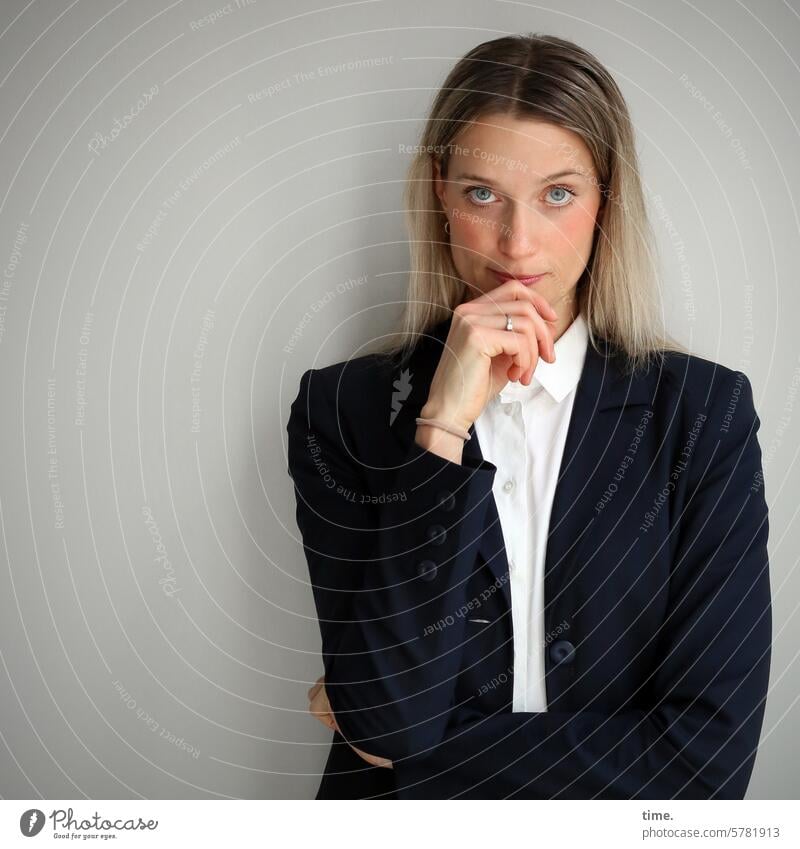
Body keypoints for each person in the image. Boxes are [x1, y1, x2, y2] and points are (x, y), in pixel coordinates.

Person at [286, 33, 771, 799]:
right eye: (483, 193)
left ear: (606, 199)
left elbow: (704, 764)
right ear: (440, 191)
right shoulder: (342, 412)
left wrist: (413, 757)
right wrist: (440, 425)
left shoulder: (703, 415)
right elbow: (390, 714)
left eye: (557, 194)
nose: (518, 244)